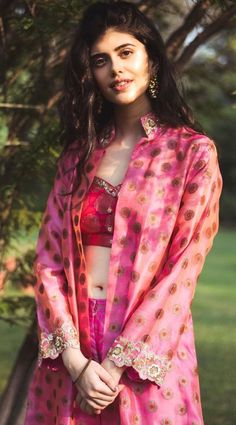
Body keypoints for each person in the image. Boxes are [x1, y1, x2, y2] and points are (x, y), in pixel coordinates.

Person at [24, 1, 223, 424]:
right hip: (73, 344)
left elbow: (181, 271)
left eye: (126, 52)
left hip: (145, 351)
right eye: (101, 60)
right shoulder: (78, 157)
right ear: (90, 74)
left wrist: (116, 364)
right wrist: (75, 361)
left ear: (150, 55)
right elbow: (48, 261)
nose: (115, 68)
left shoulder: (192, 153)